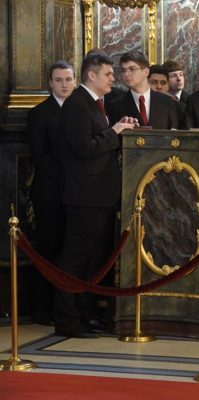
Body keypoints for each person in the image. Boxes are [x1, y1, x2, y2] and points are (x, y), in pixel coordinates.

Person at [55, 52, 137, 338]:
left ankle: (86, 313)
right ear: (92, 75)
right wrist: (115, 131)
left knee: (92, 260)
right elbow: (83, 148)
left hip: (99, 197)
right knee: (74, 259)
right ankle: (66, 319)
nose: (114, 78)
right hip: (84, 197)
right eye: (108, 74)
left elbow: (97, 139)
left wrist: (118, 126)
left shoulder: (95, 103)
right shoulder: (77, 104)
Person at [26, 61, 76, 326]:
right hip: (49, 193)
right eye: (58, 80)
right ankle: (41, 307)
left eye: (68, 79)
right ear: (50, 83)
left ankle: (65, 307)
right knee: (47, 250)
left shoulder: (80, 110)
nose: (64, 85)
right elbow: (39, 154)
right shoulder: (39, 113)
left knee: (69, 251)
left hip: (75, 193)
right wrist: (68, 177)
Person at [109, 51, 181, 129]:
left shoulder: (167, 102)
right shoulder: (116, 105)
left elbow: (174, 133)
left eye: (132, 69)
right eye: (124, 70)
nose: (126, 74)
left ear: (146, 71)